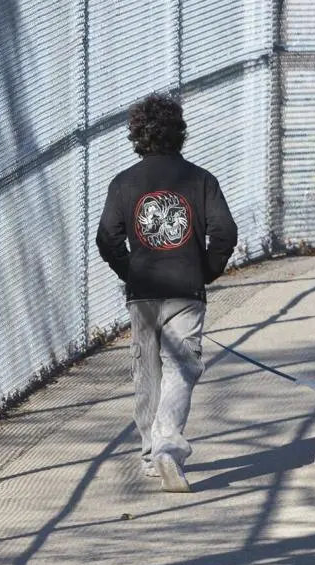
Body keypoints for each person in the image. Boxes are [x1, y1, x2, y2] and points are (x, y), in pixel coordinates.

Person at [95, 93, 239, 493]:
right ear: (180, 132)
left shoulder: (123, 183)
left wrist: (132, 270)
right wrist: (207, 269)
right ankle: (168, 447)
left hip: (142, 294)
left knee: (147, 370)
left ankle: (148, 454)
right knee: (182, 367)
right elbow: (225, 231)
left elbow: (107, 237)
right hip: (185, 291)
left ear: (136, 135)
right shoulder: (200, 180)